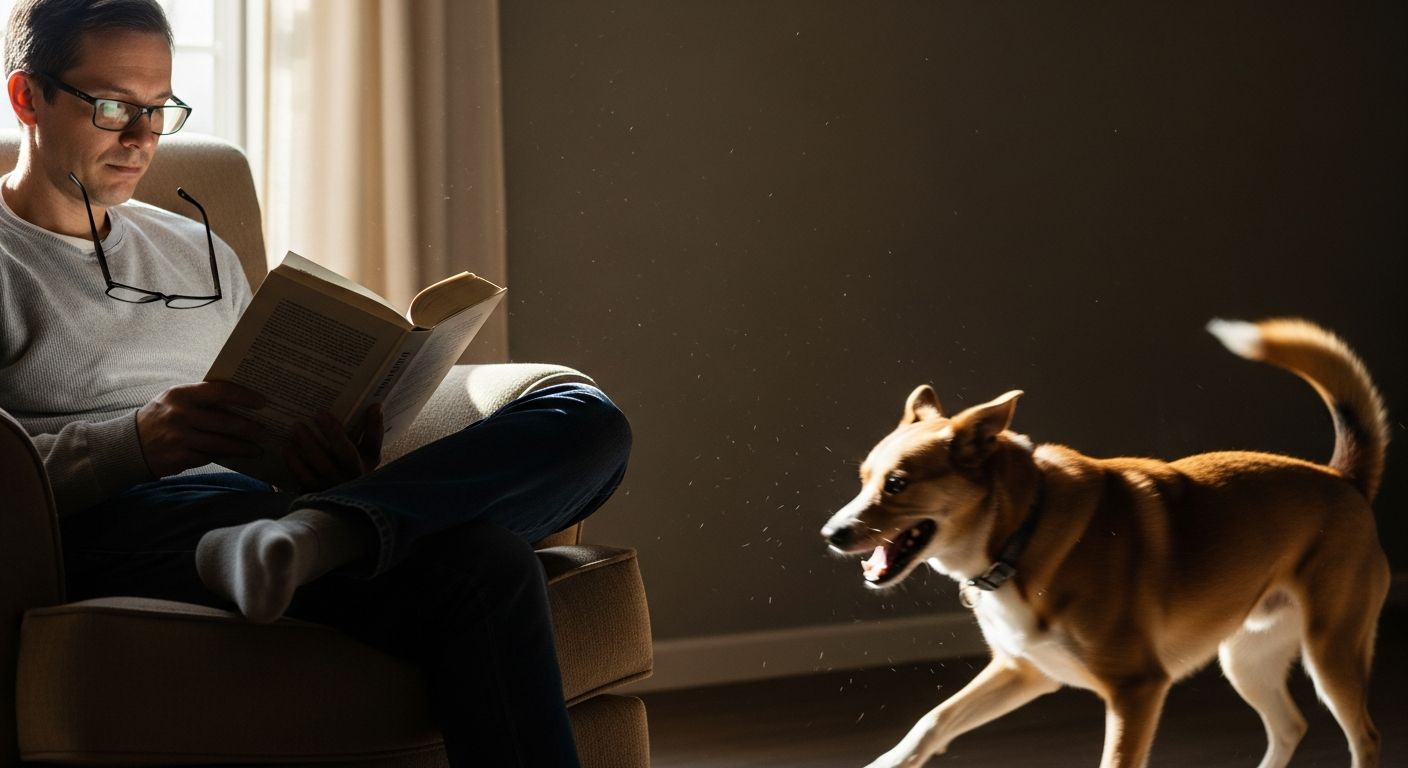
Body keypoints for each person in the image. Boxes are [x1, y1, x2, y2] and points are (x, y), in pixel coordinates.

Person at [0, 1, 631, 765]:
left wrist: (321, 452)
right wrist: (135, 444)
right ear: (27, 97)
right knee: (486, 563)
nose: (142, 139)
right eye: (113, 108)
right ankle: (336, 528)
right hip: (118, 525)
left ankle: (331, 526)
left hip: (264, 515)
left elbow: (251, 403)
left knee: (588, 421)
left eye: (159, 109)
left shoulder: (195, 247)